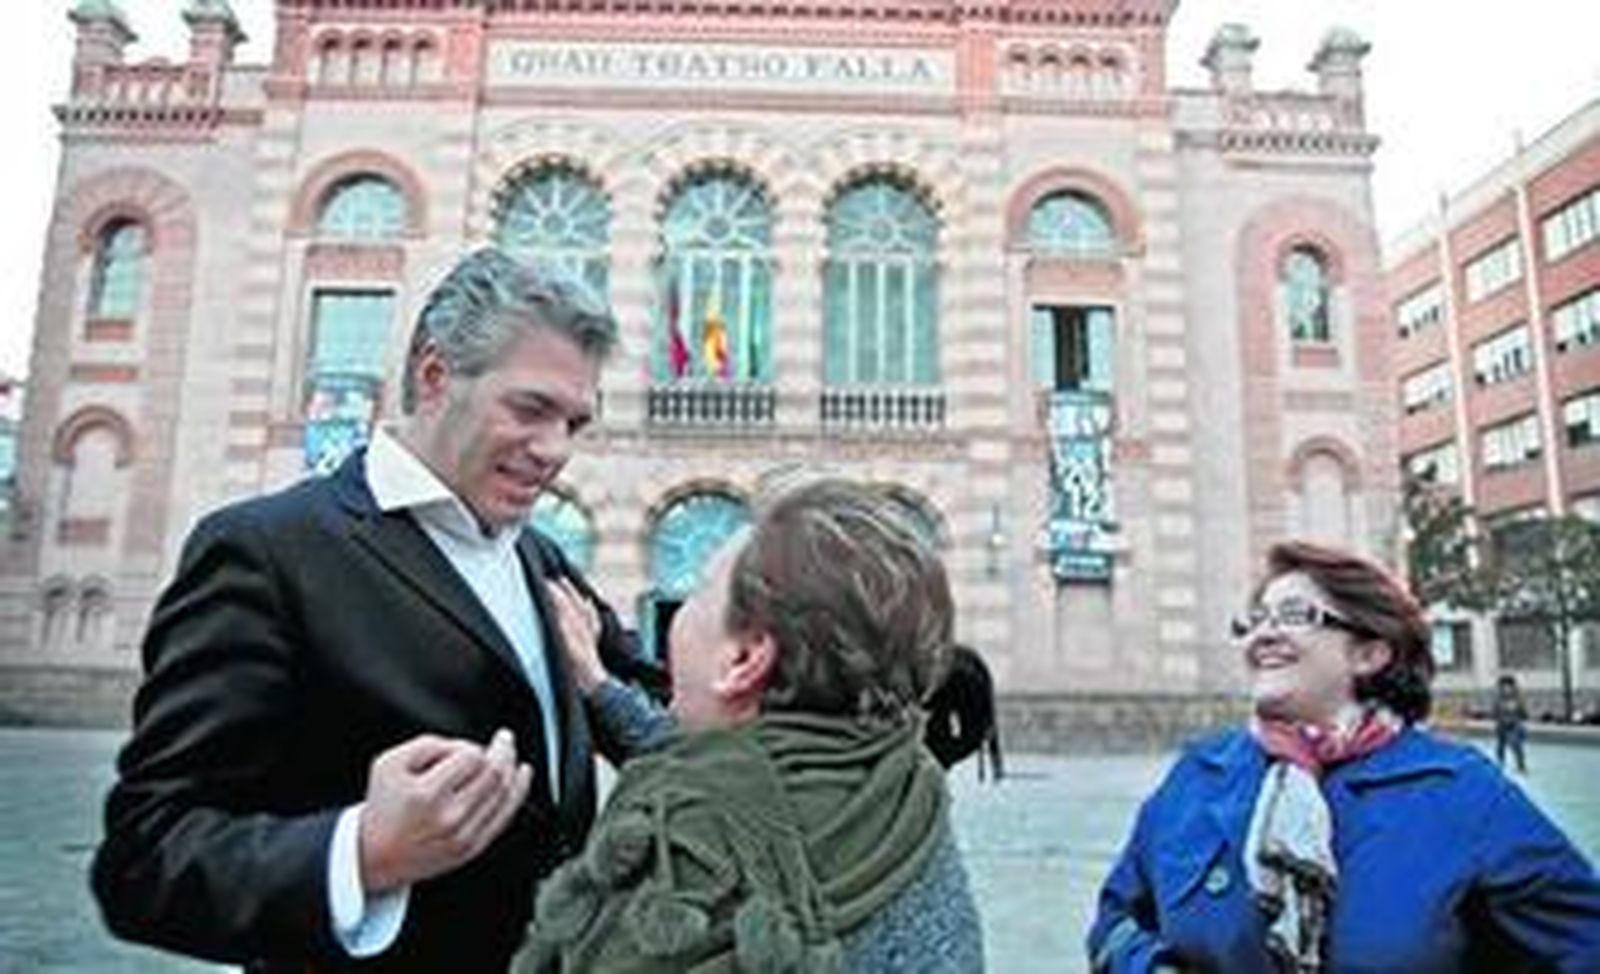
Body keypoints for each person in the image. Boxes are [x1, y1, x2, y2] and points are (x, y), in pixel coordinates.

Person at [91, 248, 663, 972]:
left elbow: (664, 712)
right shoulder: (266, 551)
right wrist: (361, 854)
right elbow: (146, 861)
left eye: (575, 423)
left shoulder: (541, 558)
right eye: (530, 409)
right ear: (434, 376)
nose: (555, 450)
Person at [518, 479, 985, 972]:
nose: (681, 613)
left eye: (697, 594)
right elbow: (746, 778)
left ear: (743, 659)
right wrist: (597, 684)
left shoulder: (688, 863)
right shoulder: (895, 783)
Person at [1088, 540, 1600, 973]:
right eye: (1256, 619)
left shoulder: (1462, 793)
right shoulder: (1200, 775)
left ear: (1369, 653)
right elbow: (1117, 920)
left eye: (1294, 616)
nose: (1263, 634)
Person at [1493, 673, 1530, 774]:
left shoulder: (1518, 698)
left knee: (1516, 745)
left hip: (1514, 725)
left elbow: (1524, 713)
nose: (1505, 689)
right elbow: (1495, 713)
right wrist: (1500, 719)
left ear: (1512, 687)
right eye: (1502, 687)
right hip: (1502, 726)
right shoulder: (1498, 699)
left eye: (1507, 687)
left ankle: (1521, 766)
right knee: (1500, 747)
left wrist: (1517, 714)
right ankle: (1499, 765)